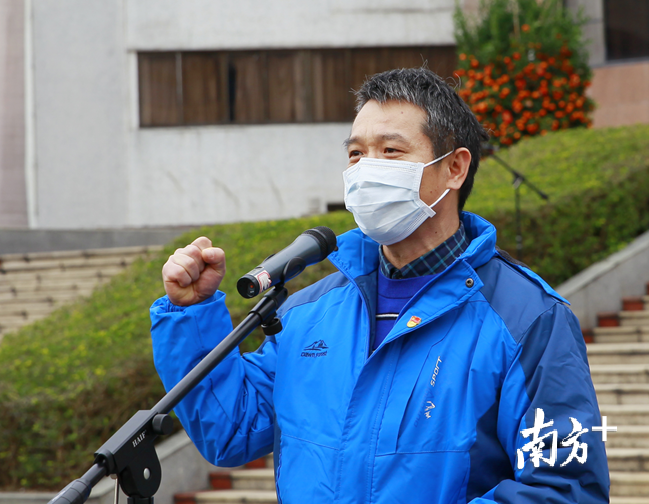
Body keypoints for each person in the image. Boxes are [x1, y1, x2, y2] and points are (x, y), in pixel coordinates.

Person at [150, 68, 609, 503]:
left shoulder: (529, 318)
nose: (367, 169)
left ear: (455, 168)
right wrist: (191, 313)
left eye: (391, 151)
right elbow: (232, 431)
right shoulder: (308, 315)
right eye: (356, 154)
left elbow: (564, 488)